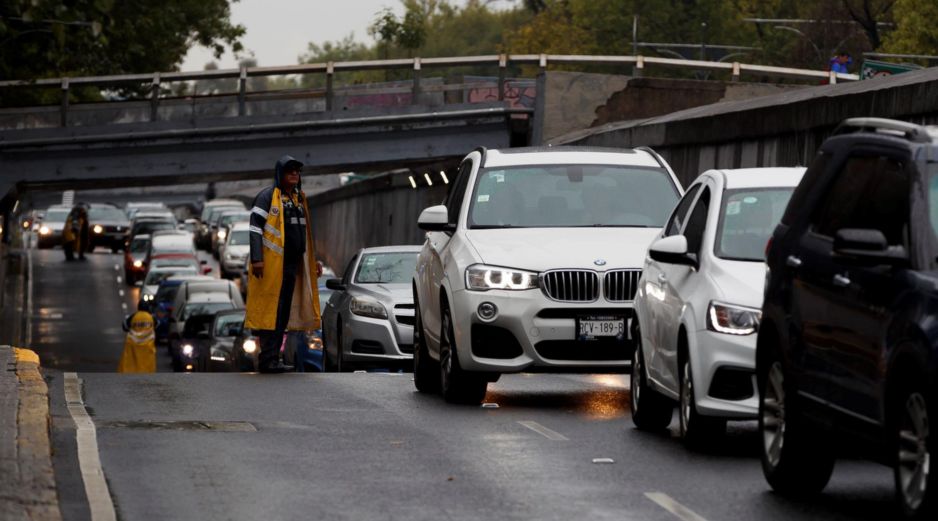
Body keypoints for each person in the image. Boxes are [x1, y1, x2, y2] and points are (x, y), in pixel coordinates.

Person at [245, 155, 323, 373]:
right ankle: (267, 359)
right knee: (272, 312)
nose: (295, 175)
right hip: (271, 268)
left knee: (282, 313)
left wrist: (312, 260)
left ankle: (273, 359)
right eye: (290, 171)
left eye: (297, 172)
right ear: (280, 174)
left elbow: (304, 235)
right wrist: (258, 259)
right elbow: (254, 227)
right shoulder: (268, 197)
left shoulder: (298, 199)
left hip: (292, 267)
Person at [117, 302, 157, 373]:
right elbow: (157, 325)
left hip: (133, 345)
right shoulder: (150, 317)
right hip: (147, 346)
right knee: (147, 365)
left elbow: (125, 326)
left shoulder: (134, 316)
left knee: (133, 363)